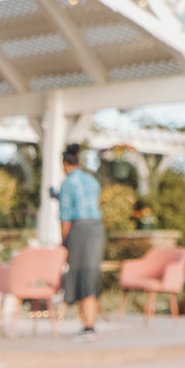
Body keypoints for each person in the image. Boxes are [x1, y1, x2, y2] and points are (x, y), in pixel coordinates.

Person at [58, 143, 104, 342]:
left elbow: (65, 217)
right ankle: (88, 325)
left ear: (66, 164)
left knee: (80, 274)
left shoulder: (69, 183)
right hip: (96, 229)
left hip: (79, 230)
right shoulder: (92, 180)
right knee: (91, 274)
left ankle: (88, 327)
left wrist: (64, 243)